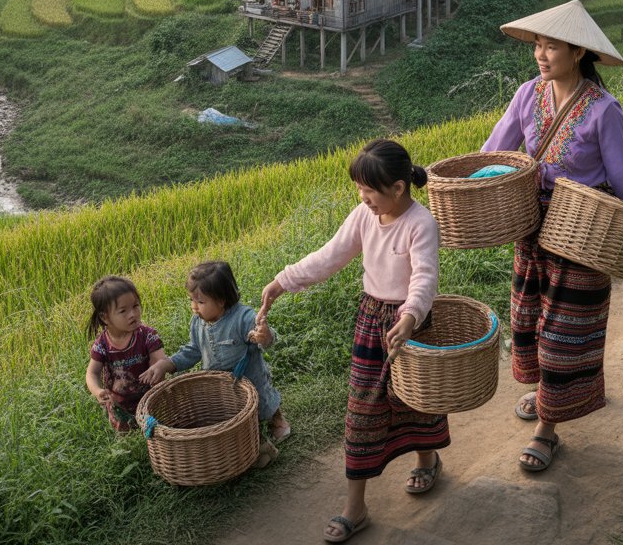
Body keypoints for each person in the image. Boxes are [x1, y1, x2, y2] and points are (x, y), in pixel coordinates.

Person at [481, 0, 623, 474]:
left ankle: (548, 429)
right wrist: (460, 181)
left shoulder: (604, 110)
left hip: (582, 229)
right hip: (530, 227)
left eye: (551, 45)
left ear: (578, 52)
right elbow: (495, 150)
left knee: (564, 330)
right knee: (530, 317)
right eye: (538, 44)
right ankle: (543, 392)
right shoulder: (526, 95)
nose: (541, 53)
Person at [258, 139, 447, 544]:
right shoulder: (363, 216)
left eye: (370, 190)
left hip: (410, 326)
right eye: (359, 189)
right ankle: (356, 507)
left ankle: (427, 459)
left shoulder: (421, 223)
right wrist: (282, 281)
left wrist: (411, 316)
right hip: (371, 323)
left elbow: (424, 278)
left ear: (398, 188)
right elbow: (330, 256)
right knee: (362, 412)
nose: (363, 198)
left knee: (415, 401)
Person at [140, 260, 289, 442]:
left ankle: (277, 419)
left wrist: (264, 336)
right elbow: (193, 349)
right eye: (191, 300)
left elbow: (266, 338)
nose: (194, 306)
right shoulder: (197, 322)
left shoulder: (243, 318)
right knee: (228, 413)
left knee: (263, 401)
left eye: (200, 301)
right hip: (218, 383)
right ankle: (247, 432)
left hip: (249, 376)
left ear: (221, 300)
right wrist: (168, 363)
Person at [85, 275, 168, 432]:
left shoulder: (147, 335)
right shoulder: (102, 344)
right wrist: (97, 391)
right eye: (123, 311)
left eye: (135, 306)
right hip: (118, 405)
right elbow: (92, 373)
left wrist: (158, 367)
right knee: (126, 438)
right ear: (105, 317)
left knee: (154, 432)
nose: (133, 314)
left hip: (149, 399)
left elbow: (160, 359)